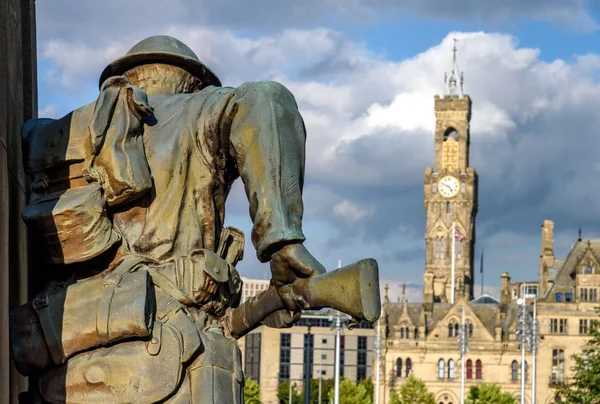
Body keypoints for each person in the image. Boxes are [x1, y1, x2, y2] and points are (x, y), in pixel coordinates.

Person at [14, 35, 326, 403]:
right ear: (194, 83)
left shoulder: (60, 137)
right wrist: (282, 240)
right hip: (173, 361)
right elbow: (267, 100)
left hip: (68, 365)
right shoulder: (198, 111)